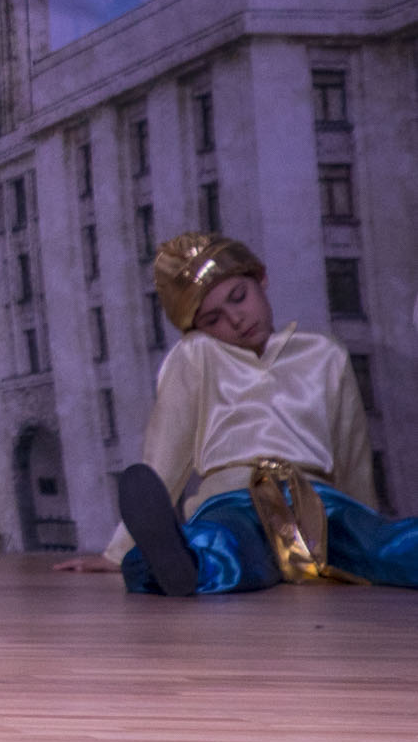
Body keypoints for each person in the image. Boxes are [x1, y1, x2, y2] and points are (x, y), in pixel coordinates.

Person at [55, 233, 418, 595]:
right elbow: (165, 454)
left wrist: (365, 520)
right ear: (197, 328)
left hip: (317, 502)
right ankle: (180, 562)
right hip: (235, 498)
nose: (236, 319)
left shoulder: (325, 354)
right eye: (213, 319)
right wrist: (118, 551)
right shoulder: (197, 355)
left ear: (261, 278)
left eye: (239, 297)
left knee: (382, 545)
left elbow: (352, 455)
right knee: (225, 542)